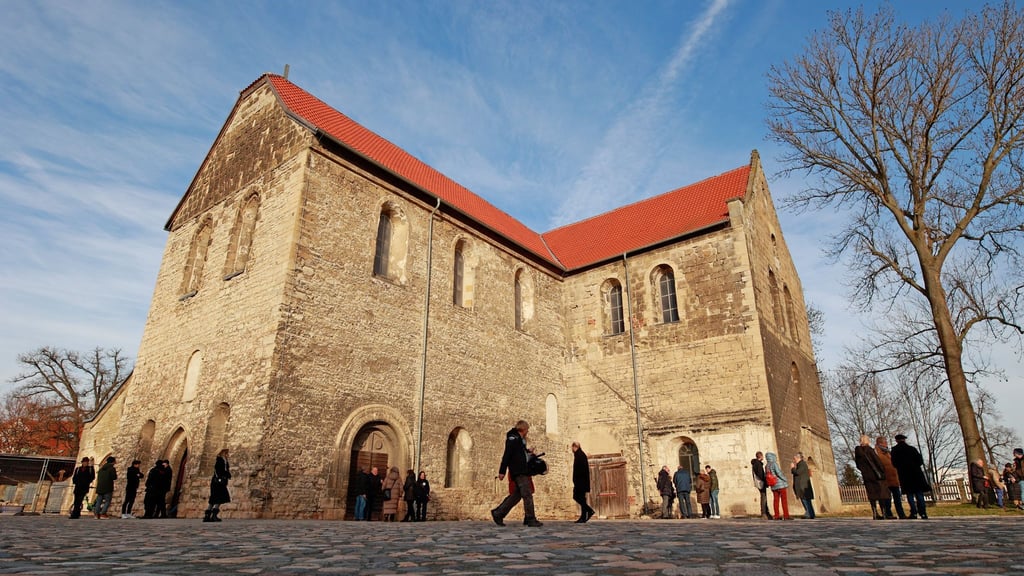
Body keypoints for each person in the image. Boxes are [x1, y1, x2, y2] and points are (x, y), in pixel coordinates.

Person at [491, 420, 542, 527]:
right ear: (523, 429)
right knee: (527, 494)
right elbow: (507, 455)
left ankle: (498, 513)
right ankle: (530, 519)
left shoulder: (519, 440)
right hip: (519, 471)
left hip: (522, 469)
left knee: (516, 496)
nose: (527, 431)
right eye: (527, 429)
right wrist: (502, 471)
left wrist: (528, 452)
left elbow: (520, 454)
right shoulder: (513, 439)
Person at [890, 434, 929, 519]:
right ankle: (923, 513)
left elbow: (894, 463)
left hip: (905, 475)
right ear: (904, 440)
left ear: (896, 440)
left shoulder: (895, 450)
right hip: (916, 474)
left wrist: (901, 467)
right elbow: (920, 461)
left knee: (910, 494)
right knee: (919, 494)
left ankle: (914, 513)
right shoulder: (912, 449)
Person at [854, 435, 889, 520]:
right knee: (881, 494)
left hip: (866, 476)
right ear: (867, 441)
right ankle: (884, 513)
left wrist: (864, 471)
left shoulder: (858, 452)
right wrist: (883, 471)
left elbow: (858, 465)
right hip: (875, 475)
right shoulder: (870, 450)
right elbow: (877, 462)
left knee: (871, 494)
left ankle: (874, 513)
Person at [875, 437, 905, 519]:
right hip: (886, 479)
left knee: (897, 498)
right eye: (885, 442)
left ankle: (901, 514)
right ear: (880, 443)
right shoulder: (877, 452)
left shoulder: (888, 452)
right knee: (887, 499)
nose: (887, 443)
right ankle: (888, 514)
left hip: (894, 478)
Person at [204, 448, 231, 522]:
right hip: (218, 482)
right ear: (223, 454)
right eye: (226, 453)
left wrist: (227, 475)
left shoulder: (225, 462)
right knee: (217, 497)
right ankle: (212, 515)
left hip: (221, 482)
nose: (228, 455)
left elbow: (226, 471)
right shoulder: (220, 460)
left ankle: (209, 516)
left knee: (216, 497)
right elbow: (218, 470)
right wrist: (223, 476)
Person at [571, 442, 595, 523]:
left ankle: (589, 511)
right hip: (581, 482)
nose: (571, 450)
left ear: (575, 447)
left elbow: (580, 470)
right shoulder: (580, 455)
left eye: (572, 448)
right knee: (581, 499)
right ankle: (584, 517)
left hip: (580, 482)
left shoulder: (579, 455)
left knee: (577, 497)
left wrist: (577, 481)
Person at [765, 452, 791, 520]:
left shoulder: (767, 466)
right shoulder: (774, 464)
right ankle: (786, 515)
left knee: (776, 500)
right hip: (780, 484)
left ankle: (776, 515)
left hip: (773, 485)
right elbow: (779, 473)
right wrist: (785, 479)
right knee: (784, 500)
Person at [791, 453, 815, 519]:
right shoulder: (801, 464)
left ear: (798, 458)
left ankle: (808, 514)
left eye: (795, 458)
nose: (794, 460)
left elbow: (798, 472)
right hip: (803, 485)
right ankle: (811, 514)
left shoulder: (802, 464)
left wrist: (793, 468)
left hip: (803, 486)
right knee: (807, 500)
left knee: (805, 500)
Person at [750, 451, 772, 519]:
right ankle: (764, 513)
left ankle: (766, 512)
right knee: (763, 498)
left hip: (759, 482)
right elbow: (760, 474)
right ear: (761, 456)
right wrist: (765, 481)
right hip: (761, 483)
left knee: (763, 497)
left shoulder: (755, 464)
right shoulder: (758, 464)